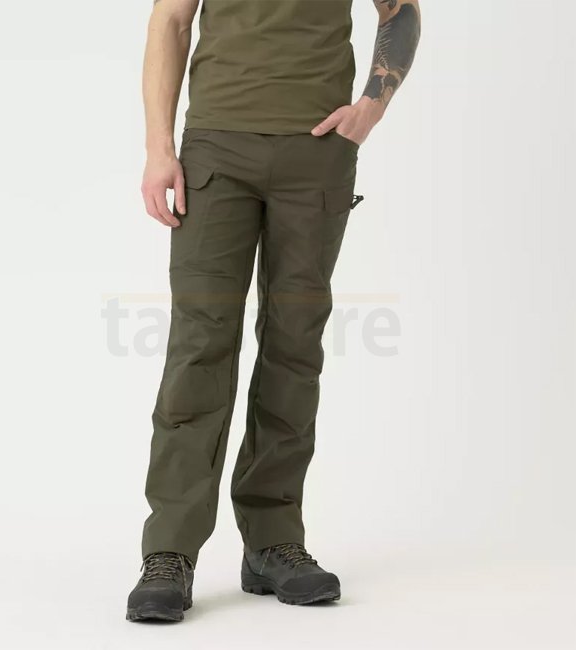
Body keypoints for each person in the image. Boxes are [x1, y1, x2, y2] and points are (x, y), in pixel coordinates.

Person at [127, 0, 421, 622]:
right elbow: (171, 20)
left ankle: (272, 541)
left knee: (295, 344)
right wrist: (159, 147)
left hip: (318, 152)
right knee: (199, 345)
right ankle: (169, 552)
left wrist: (371, 106)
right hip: (216, 148)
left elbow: (400, 10)